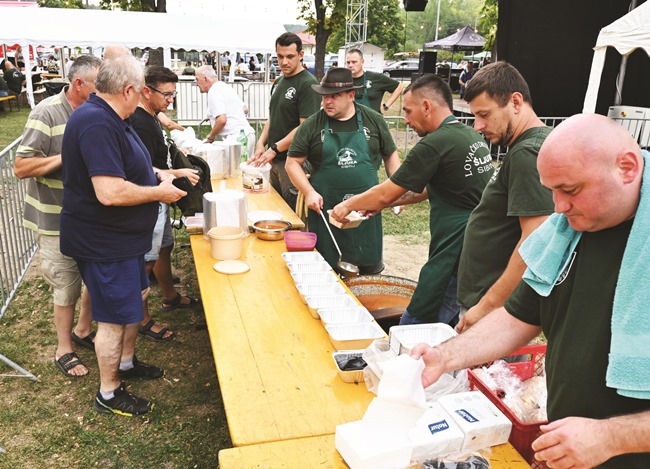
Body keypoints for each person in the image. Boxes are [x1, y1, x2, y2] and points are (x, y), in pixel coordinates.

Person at [412, 113, 650, 469]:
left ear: (627, 168)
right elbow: (517, 317)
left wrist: (611, 437)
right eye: (551, 190)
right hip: (571, 451)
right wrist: (445, 357)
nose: (558, 207)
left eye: (570, 190)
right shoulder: (567, 232)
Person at [60, 55, 186, 416]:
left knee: (137, 297)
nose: (142, 97)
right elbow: (110, 192)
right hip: (103, 242)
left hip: (124, 240)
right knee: (114, 318)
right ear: (128, 89)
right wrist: (157, 193)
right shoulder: (96, 123)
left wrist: (157, 176)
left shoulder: (115, 116)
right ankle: (109, 392)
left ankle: (127, 363)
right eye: (140, 91)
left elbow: (131, 167)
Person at [331, 74, 494, 325]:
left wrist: (346, 205)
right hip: (479, 249)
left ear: (426, 106)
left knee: (416, 321)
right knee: (451, 323)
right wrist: (385, 204)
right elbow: (428, 190)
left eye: (408, 111)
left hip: (454, 251)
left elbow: (386, 190)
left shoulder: (435, 143)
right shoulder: (468, 136)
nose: (405, 120)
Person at [13, 55, 102, 378]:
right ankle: (64, 347)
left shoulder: (96, 110)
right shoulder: (47, 112)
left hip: (91, 217)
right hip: (56, 220)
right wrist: (65, 157)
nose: (103, 91)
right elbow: (21, 167)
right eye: (97, 85)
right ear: (78, 84)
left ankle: (82, 330)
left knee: (92, 278)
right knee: (66, 285)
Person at [456, 62, 554, 332]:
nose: (477, 126)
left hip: (495, 310)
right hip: (493, 304)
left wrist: (486, 306)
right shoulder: (527, 147)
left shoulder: (527, 153)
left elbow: (536, 241)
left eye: (484, 114)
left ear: (516, 102)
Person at [286, 68, 400, 274]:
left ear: (351, 95)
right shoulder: (312, 125)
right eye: (324, 96)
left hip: (366, 213)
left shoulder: (373, 120)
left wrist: (398, 189)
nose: (327, 102)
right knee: (327, 272)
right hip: (327, 212)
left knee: (368, 278)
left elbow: (391, 155)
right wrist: (309, 192)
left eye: (334, 96)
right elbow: (292, 162)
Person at [130, 65, 201, 341]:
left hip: (162, 197)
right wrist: (179, 172)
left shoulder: (152, 116)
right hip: (151, 198)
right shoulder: (139, 122)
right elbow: (144, 169)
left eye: (174, 94)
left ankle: (170, 297)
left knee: (166, 246)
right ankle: (142, 320)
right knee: (146, 262)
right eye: (167, 94)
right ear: (147, 91)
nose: (171, 100)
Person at [249, 32, 321, 210]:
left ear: (301, 55)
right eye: (280, 56)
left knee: (293, 215)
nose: (284, 62)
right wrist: (261, 143)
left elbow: (305, 126)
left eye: (290, 56)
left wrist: (274, 148)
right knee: (274, 209)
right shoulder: (279, 81)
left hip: (294, 161)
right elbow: (273, 117)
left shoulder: (308, 83)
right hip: (274, 160)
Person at [194, 65, 254, 150]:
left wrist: (210, 137)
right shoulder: (224, 86)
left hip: (235, 139)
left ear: (206, 79)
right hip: (247, 135)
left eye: (197, 79)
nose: (196, 83)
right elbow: (245, 109)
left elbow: (221, 120)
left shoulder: (213, 91)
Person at [346, 48, 403, 114]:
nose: (350, 65)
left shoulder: (375, 78)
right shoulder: (343, 80)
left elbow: (399, 87)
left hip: (372, 122)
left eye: (354, 62)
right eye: (348, 62)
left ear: (362, 62)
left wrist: (385, 107)